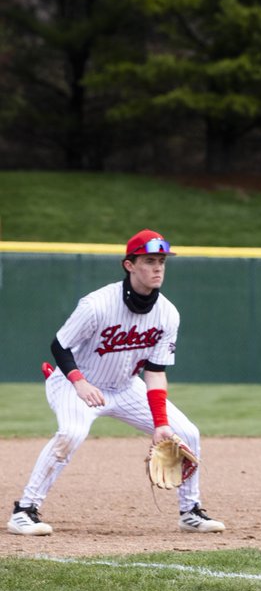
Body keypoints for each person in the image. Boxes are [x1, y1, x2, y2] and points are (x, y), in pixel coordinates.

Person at [7, 230, 225, 537]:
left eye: (162, 261)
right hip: (75, 384)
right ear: (129, 265)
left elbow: (155, 371)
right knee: (71, 432)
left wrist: (161, 424)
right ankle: (24, 511)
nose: (158, 267)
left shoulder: (167, 314)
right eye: (149, 260)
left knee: (187, 432)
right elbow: (60, 345)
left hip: (125, 387)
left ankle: (190, 512)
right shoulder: (97, 305)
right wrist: (79, 382)